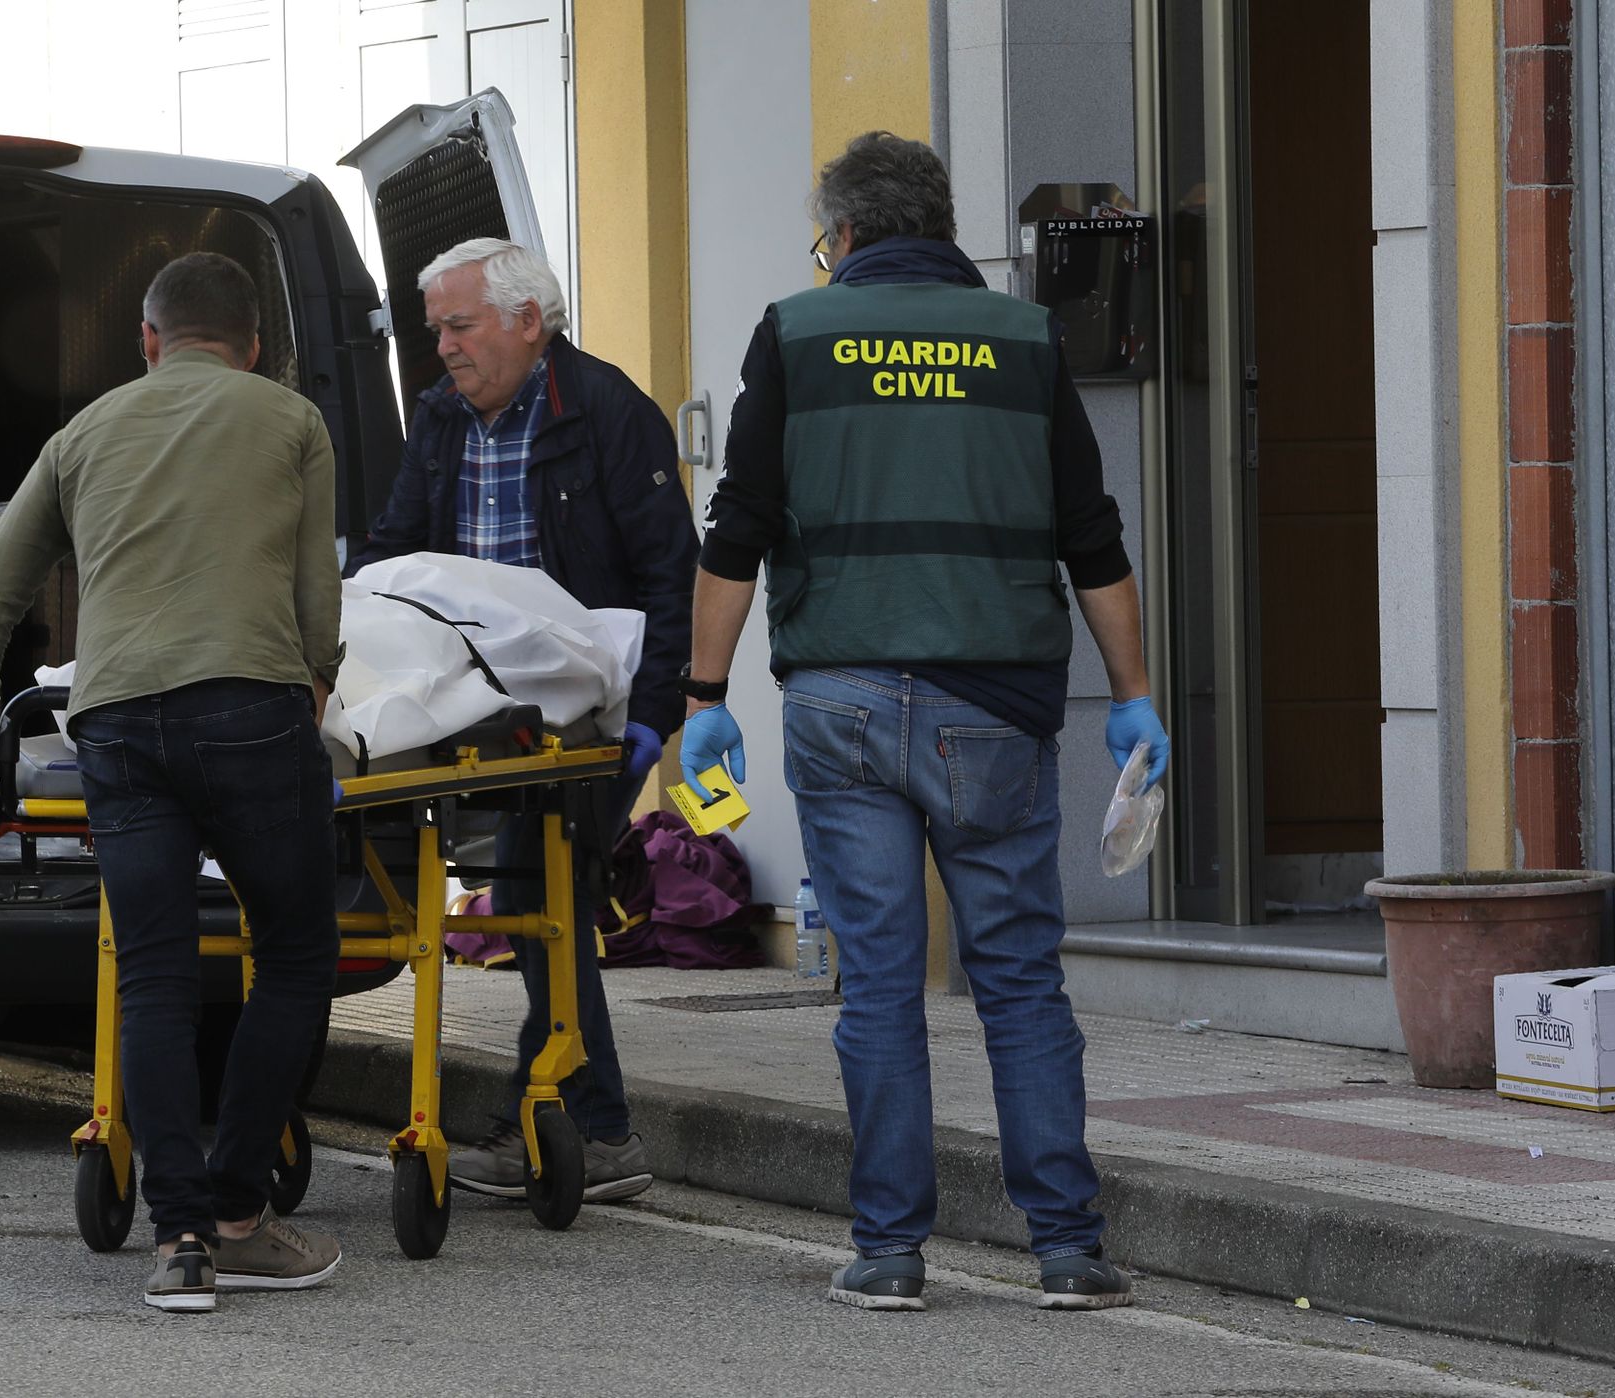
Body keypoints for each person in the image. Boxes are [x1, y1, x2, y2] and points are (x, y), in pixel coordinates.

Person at [680, 133, 1171, 1313]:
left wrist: (702, 700)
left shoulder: (796, 331)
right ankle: (1066, 1249)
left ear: (842, 237)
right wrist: (1135, 690)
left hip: (842, 702)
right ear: (940, 231)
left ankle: (890, 1252)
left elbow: (737, 527)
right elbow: (1090, 534)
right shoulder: (1025, 337)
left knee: (881, 984)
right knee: (1016, 978)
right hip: (993, 706)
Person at [0, 252, 345, 1314]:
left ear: (149, 342)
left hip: (112, 721)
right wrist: (310, 704)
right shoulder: (291, 421)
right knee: (293, 954)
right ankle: (244, 1213)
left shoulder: (83, 435)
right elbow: (314, 606)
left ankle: (182, 1244)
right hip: (250, 707)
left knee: (154, 973)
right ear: (253, 347)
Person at [349, 237, 698, 1203]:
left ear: (527, 321)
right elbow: (396, 550)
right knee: (546, 906)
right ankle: (583, 1122)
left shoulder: (608, 413)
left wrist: (657, 712)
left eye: (460, 327)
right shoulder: (442, 421)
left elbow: (674, 573)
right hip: (474, 707)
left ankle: (581, 1122)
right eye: (436, 332)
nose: (445, 349)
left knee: (553, 899)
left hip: (587, 709)